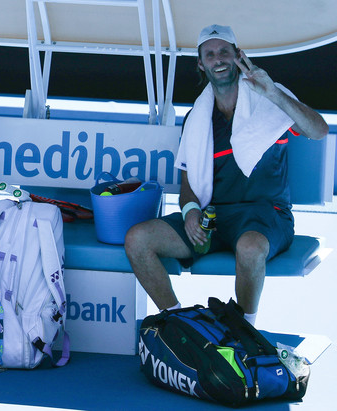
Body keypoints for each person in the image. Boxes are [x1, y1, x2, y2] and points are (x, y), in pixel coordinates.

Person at [125, 24, 328, 325]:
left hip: (266, 217)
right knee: (137, 239)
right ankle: (182, 324)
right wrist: (191, 212)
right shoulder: (197, 118)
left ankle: (245, 331)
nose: (217, 59)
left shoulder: (270, 99)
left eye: (224, 52)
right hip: (214, 220)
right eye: (210, 54)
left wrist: (273, 92)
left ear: (238, 56)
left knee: (249, 248)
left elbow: (319, 130)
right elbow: (188, 184)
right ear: (200, 64)